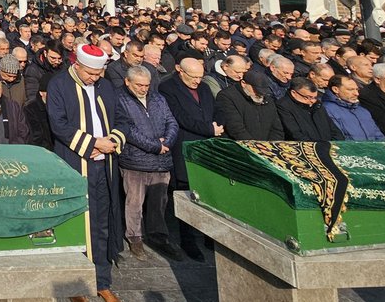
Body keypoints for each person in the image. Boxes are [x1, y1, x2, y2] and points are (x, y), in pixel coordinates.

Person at [47, 44, 128, 302]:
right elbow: (59, 124)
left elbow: (122, 120)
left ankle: (102, 281)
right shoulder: (59, 84)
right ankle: (76, 284)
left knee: (102, 222)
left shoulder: (106, 86)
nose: (95, 78)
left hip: (104, 165)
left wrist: (111, 142)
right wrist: (92, 143)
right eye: (91, 73)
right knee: (77, 223)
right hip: (75, 163)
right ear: (78, 66)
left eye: (99, 73)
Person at [115, 65, 182, 262]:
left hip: (161, 161)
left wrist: (167, 143)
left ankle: (158, 234)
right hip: (135, 160)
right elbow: (127, 129)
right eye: (139, 85)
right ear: (128, 82)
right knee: (134, 202)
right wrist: (155, 146)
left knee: (159, 201)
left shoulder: (157, 98)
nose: (144, 89)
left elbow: (172, 122)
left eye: (147, 85)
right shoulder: (120, 99)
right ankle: (134, 236)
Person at [159, 57, 222, 260]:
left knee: (208, 191)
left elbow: (212, 109)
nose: (197, 81)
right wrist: (208, 128)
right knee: (185, 192)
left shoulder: (203, 87)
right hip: (184, 145)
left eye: (200, 77)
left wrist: (215, 127)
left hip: (205, 145)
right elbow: (178, 116)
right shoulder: (167, 88)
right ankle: (188, 239)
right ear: (179, 70)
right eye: (192, 77)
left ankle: (208, 236)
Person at [214, 68, 284, 141]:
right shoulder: (227, 96)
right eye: (256, 90)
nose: (259, 93)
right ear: (243, 83)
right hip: (239, 146)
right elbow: (235, 128)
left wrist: (270, 146)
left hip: (265, 147)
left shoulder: (267, 98)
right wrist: (254, 146)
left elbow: (276, 127)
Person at [275, 76, 341, 141]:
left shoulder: (317, 105)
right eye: (307, 97)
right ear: (294, 93)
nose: (312, 101)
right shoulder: (283, 106)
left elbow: (334, 130)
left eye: (315, 97)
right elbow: (294, 133)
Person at [322, 75, 385, 140]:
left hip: (372, 149)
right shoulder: (326, 109)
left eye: (357, 89)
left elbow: (379, 136)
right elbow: (338, 139)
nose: (356, 93)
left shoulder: (362, 110)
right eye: (350, 89)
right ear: (336, 89)